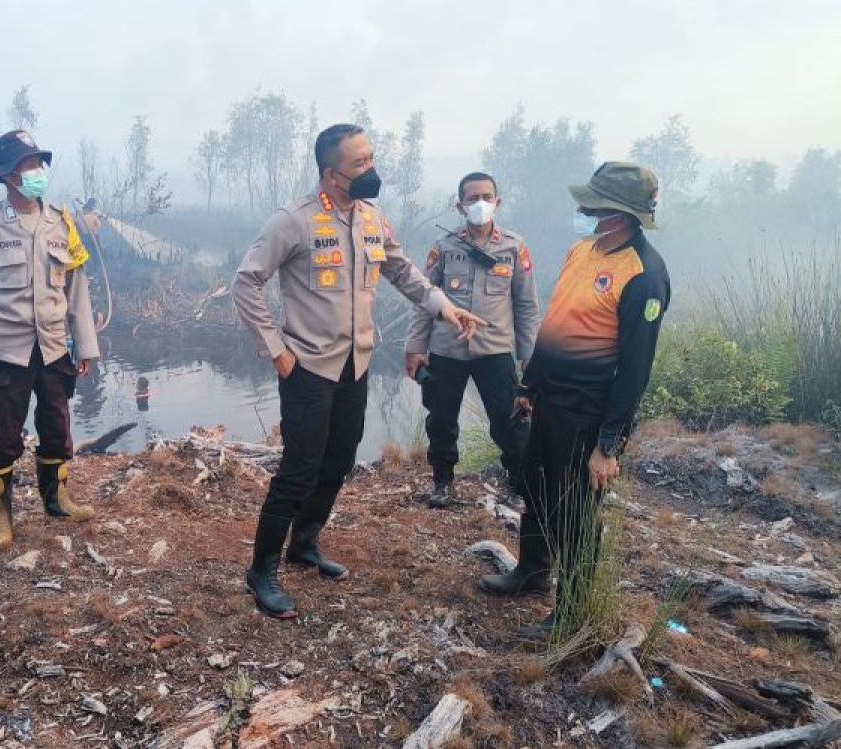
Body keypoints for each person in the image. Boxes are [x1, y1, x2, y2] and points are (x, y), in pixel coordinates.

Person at [232, 123, 486, 619]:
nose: (371, 170)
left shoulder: (371, 217)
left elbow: (402, 270)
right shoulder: (294, 221)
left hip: (356, 363)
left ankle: (305, 543)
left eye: (371, 159)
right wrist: (277, 350)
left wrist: (444, 307)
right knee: (298, 468)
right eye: (360, 164)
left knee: (340, 457)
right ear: (331, 175)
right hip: (307, 366)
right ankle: (261, 570)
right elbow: (247, 282)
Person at [482, 162, 670, 638]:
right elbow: (555, 324)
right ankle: (531, 570)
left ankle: (571, 613)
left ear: (618, 214)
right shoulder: (582, 250)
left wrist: (609, 444)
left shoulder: (643, 276)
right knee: (536, 487)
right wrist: (529, 387)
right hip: (549, 400)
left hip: (588, 413)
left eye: (593, 204)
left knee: (576, 511)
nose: (582, 209)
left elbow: (634, 370)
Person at [0, 130, 100, 551]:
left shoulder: (61, 222)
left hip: (54, 345)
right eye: (27, 165)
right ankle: (1, 514)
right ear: (6, 176)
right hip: (4, 350)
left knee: (57, 425)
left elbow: (77, 288)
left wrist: (85, 344)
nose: (37, 172)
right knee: (3, 434)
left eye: (39, 163)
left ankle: (56, 499)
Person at [405, 172, 541, 508]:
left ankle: (518, 485)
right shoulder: (444, 247)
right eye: (471, 198)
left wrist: (531, 356)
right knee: (440, 419)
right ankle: (442, 483)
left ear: (498, 201)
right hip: (447, 349)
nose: (480, 203)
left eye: (486, 196)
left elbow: (526, 306)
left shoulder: (514, 247)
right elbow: (425, 299)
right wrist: (415, 347)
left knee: (510, 421)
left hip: (494, 350)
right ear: (460, 205)